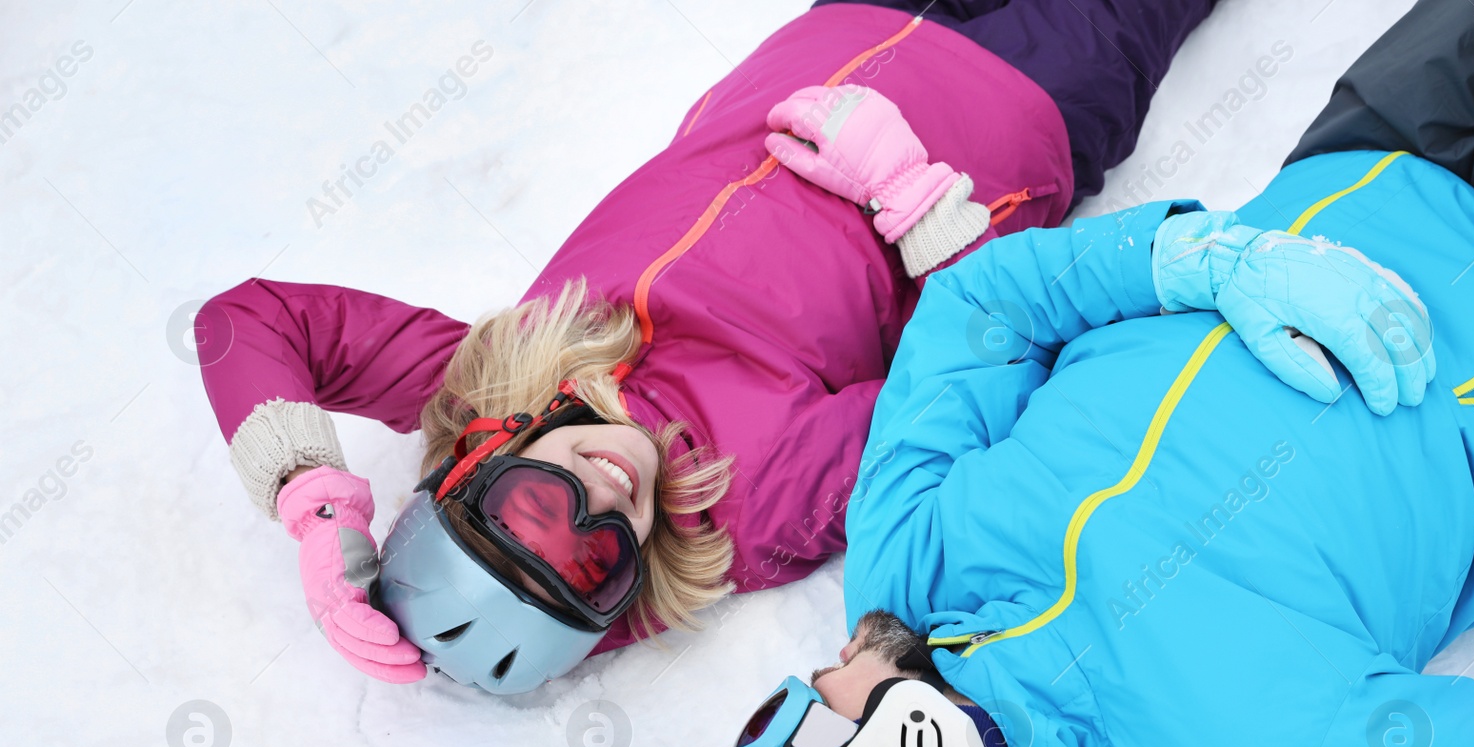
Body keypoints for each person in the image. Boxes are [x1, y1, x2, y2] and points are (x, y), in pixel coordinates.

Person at [718, 0, 1474, 747]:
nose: (814, 672)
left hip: (1353, 163)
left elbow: (979, 307)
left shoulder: (911, 576)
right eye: (813, 710)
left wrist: (1189, 261)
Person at [192, 0, 1315, 692]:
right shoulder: (754, 502)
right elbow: (987, 366)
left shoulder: (495, 373)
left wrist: (314, 498)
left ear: (479, 456)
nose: (602, 500)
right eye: (596, 559)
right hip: (1022, 102)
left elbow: (249, 322)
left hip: (846, 26)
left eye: (539, 505)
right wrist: (920, 211)